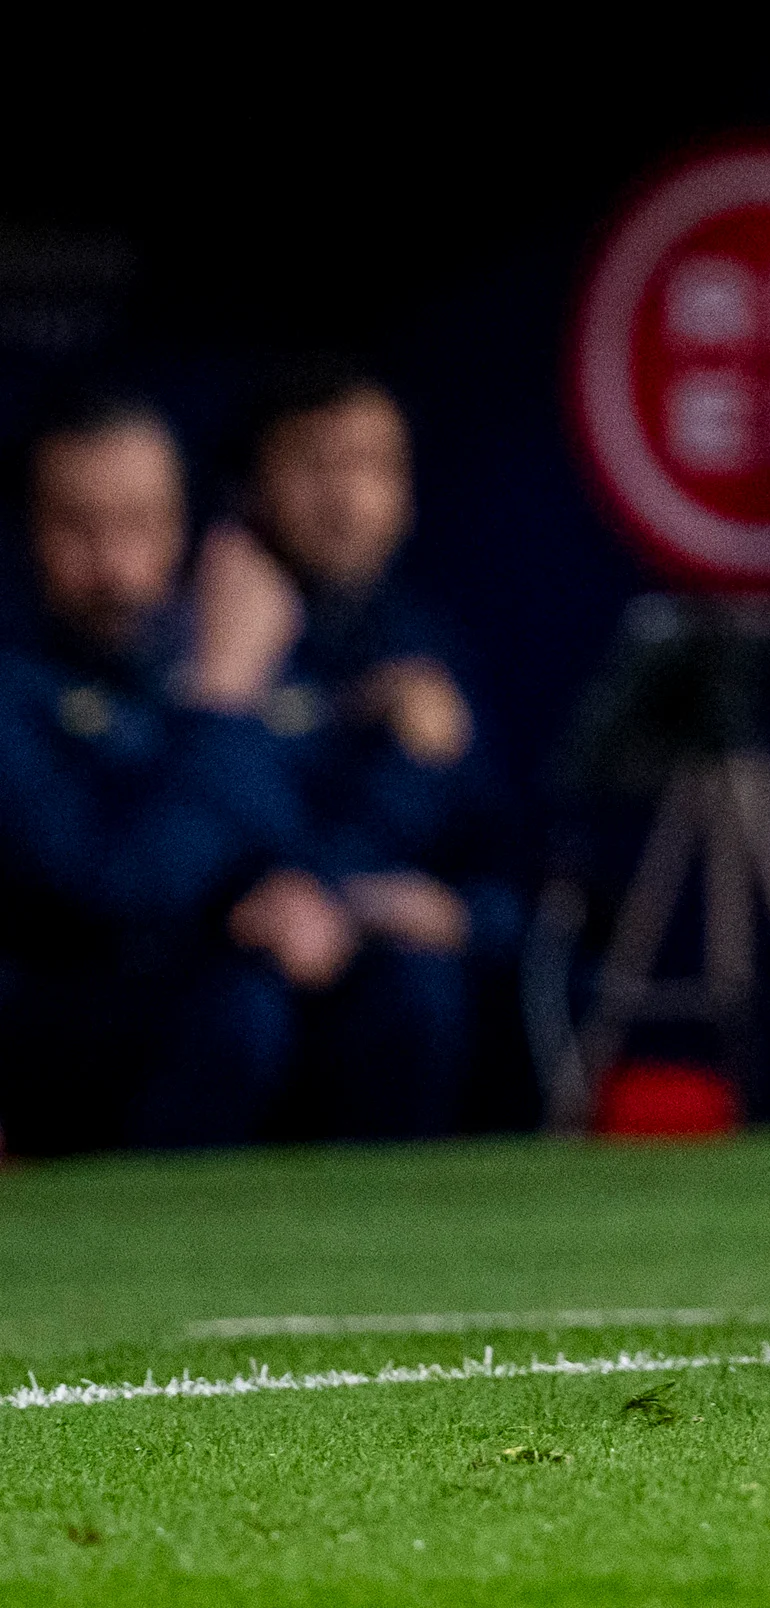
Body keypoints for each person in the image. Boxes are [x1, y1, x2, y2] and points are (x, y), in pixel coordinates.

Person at [0, 394, 326, 1158]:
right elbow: (115, 889)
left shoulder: (240, 657)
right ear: (25, 534)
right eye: (78, 527)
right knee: (230, 1005)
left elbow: (303, 825)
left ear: (185, 527)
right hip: (60, 1023)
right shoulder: (17, 686)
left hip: (236, 991)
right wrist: (220, 699)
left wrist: (321, 893)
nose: (114, 565)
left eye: (140, 523)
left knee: (400, 987)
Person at [208, 364, 497, 1137]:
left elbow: (506, 876)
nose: (346, 501)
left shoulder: (426, 646)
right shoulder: (195, 631)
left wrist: (448, 910)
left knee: (421, 984)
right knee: (237, 1008)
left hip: (376, 977)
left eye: (373, 466)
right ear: (252, 485)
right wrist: (222, 693)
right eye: (315, 465)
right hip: (228, 965)